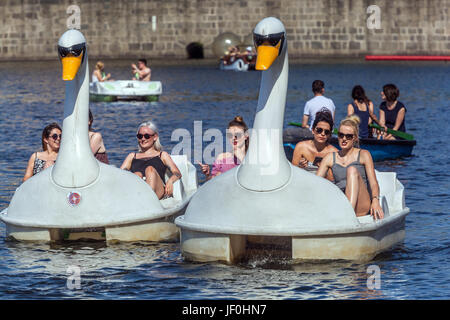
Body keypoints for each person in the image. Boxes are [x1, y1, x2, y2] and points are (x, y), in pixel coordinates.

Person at [316, 115, 384, 220]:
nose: (344, 139)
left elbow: (373, 183)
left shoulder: (364, 154)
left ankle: (348, 217)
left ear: (355, 138)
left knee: (351, 170)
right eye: (341, 135)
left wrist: (375, 200)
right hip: (341, 201)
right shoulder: (330, 158)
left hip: (361, 203)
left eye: (348, 136)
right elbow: (316, 182)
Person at [120, 121, 181, 199]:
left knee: (150, 169)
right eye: (140, 136)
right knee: (137, 174)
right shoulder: (132, 156)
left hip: (158, 190)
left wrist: (170, 181)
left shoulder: (162, 155)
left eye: (147, 136)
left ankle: (149, 199)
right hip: (138, 191)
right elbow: (120, 174)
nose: (143, 139)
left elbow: (177, 173)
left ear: (155, 137)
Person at [198, 116, 249, 180]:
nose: (233, 138)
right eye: (230, 135)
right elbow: (212, 182)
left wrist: (242, 159)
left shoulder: (252, 157)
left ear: (246, 136)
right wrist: (208, 175)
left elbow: (254, 178)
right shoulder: (221, 157)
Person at [291, 110, 338, 180]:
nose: (322, 134)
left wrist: (323, 169)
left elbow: (333, 181)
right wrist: (300, 167)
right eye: (319, 130)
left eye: (327, 132)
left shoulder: (334, 153)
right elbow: (293, 175)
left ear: (330, 135)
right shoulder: (301, 147)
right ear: (313, 130)